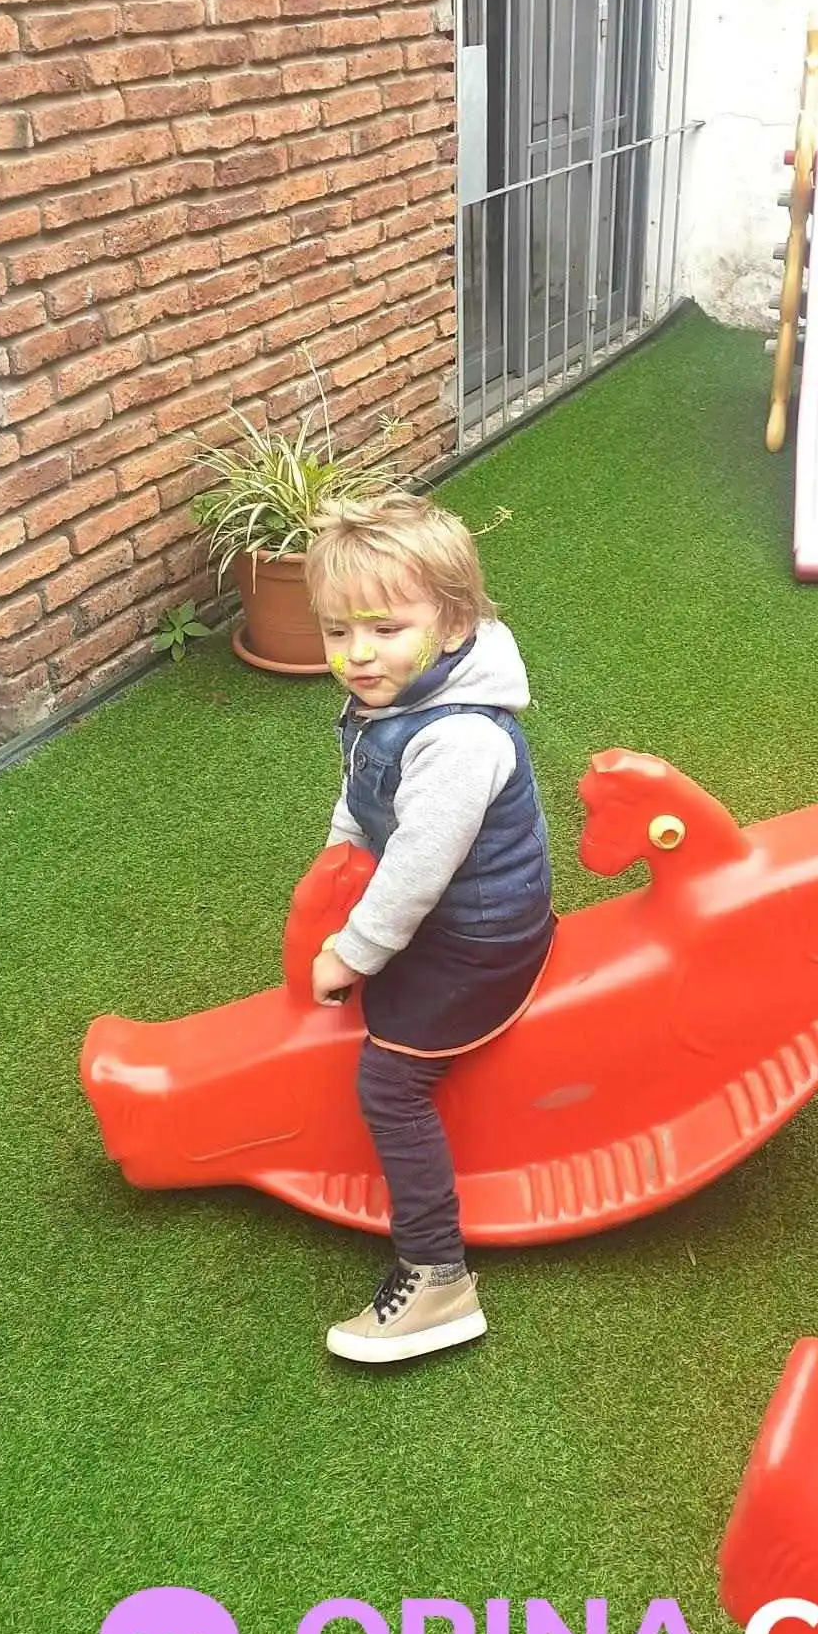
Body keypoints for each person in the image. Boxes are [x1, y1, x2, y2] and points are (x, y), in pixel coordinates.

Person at [304, 491, 555, 1364]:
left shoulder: (459, 739)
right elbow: (363, 798)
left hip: (477, 941)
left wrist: (354, 950)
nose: (357, 653)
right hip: (443, 912)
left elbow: (417, 863)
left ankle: (438, 1276)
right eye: (337, 631)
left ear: (452, 626)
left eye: (384, 628)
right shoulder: (398, 695)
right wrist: (334, 874)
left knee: (390, 1083)